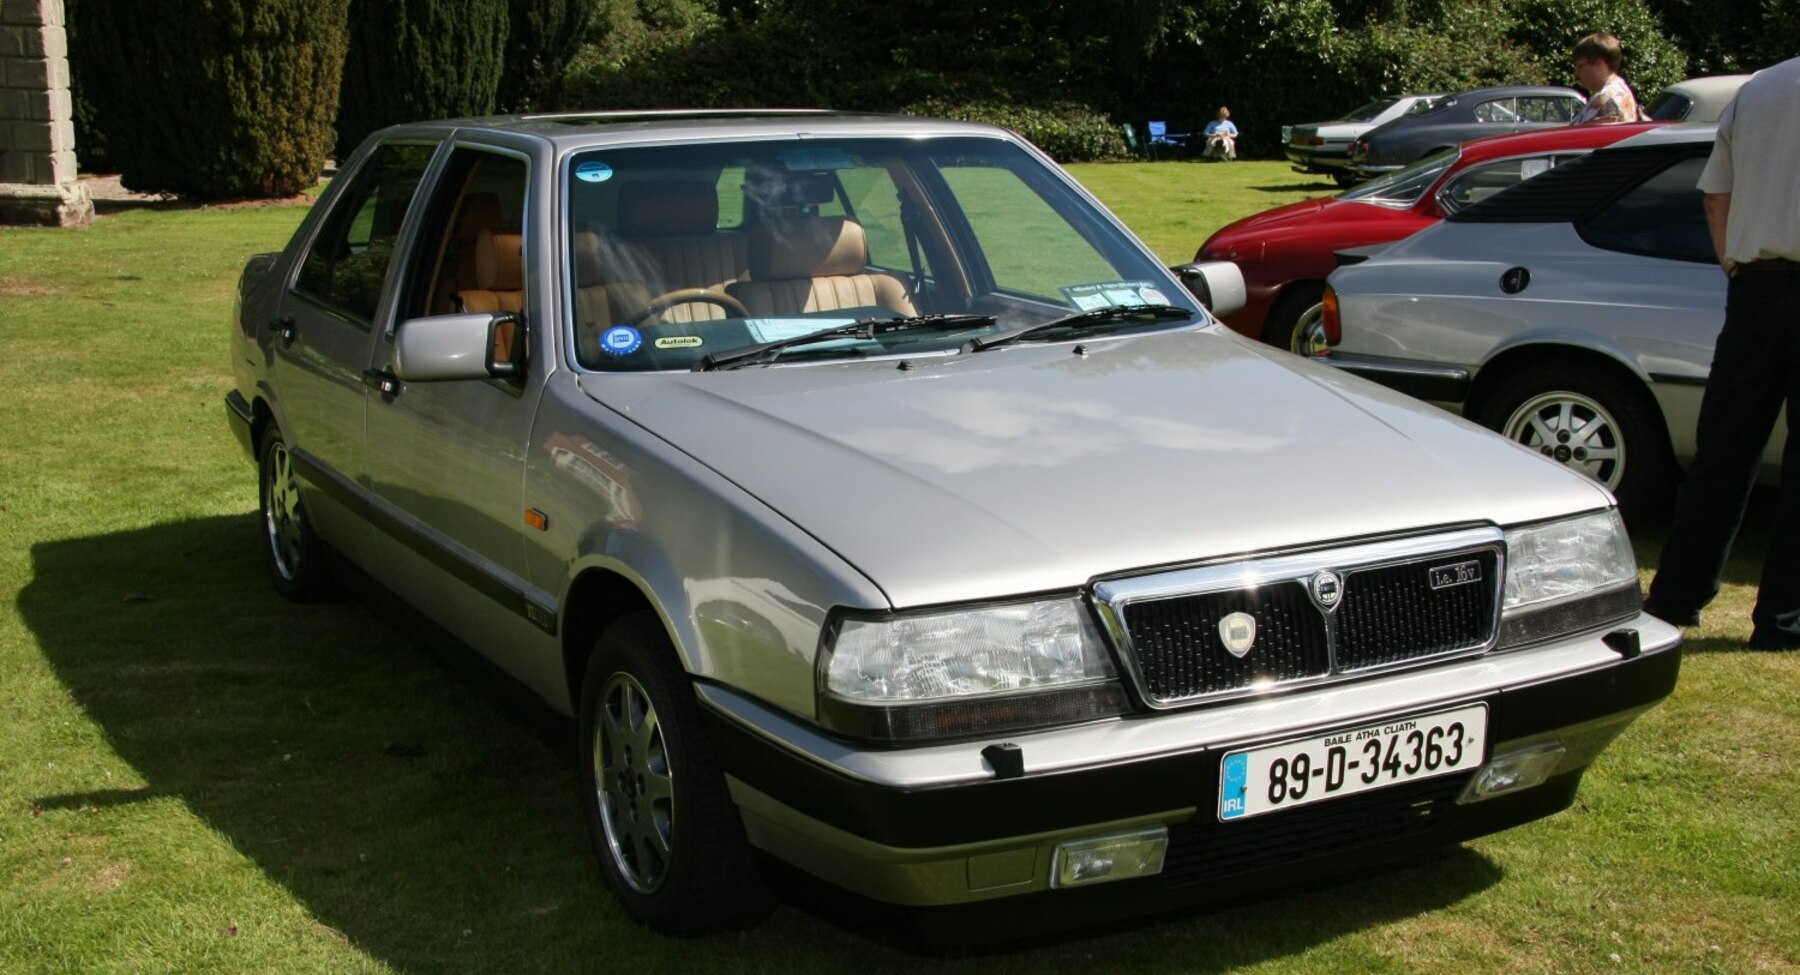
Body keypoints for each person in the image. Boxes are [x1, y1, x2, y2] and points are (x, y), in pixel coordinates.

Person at [1645, 56, 1800, 650]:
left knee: (1724, 453)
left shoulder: (1760, 87)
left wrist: (1735, 263)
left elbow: (1716, 193)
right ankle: (1783, 621)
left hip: (1755, 286)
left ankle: (1678, 596)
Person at [1572, 32, 1643, 124]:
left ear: (1599, 64)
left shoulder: (1606, 99)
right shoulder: (1619, 88)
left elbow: (1585, 136)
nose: (1576, 73)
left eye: (1580, 66)